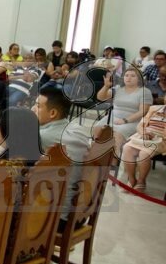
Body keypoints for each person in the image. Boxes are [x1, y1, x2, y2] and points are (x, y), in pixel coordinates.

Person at [33, 86, 91, 231]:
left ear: (52, 113)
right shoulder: (77, 129)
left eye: (38, 106)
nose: (33, 108)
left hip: (57, 219)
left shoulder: (42, 137)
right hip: (79, 215)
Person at [96, 67, 153, 154]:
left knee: (118, 133)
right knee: (98, 128)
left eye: (133, 76)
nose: (128, 78)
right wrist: (106, 86)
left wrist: (125, 120)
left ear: (139, 79)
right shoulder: (118, 88)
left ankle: (114, 160)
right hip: (114, 117)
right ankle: (98, 155)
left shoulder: (145, 91)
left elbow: (143, 111)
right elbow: (100, 97)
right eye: (126, 75)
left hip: (134, 121)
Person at [120, 104, 166, 191]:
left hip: (161, 140)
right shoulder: (154, 109)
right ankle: (132, 179)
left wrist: (155, 135)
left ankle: (141, 182)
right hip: (143, 136)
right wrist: (143, 133)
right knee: (127, 148)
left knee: (143, 153)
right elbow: (140, 125)